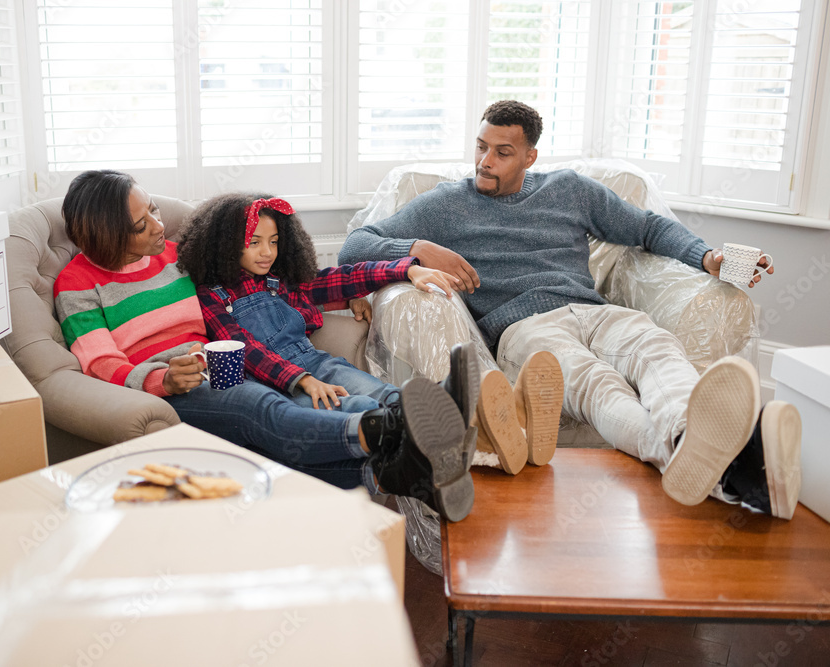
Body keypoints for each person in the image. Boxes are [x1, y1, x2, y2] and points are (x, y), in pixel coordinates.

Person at [338, 99, 803, 519]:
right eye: (480, 147)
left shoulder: (570, 190)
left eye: (502, 151)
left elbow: (646, 228)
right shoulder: (446, 205)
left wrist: (707, 258)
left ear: (529, 156)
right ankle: (714, 461)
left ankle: (695, 447)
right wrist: (419, 248)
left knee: (659, 348)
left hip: (594, 312)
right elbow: (356, 246)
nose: (484, 161)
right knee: (597, 384)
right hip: (523, 326)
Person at [52, 169, 481, 520]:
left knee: (321, 402)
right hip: (174, 385)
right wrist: (162, 379)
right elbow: (101, 363)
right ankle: (395, 432)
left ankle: (415, 454)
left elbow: (293, 284)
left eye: (155, 210)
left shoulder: (176, 255)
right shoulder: (76, 284)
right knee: (263, 410)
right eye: (142, 225)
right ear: (105, 234)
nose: (160, 227)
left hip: (221, 364)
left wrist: (381, 279)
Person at [176, 191, 463, 414]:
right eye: (255, 242)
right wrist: (302, 379)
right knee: (357, 409)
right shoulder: (212, 295)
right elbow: (246, 350)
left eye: (274, 242)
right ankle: (433, 420)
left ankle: (452, 405)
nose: (267, 252)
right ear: (225, 245)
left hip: (318, 363)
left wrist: (408, 269)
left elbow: (346, 277)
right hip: (274, 383)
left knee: (385, 394)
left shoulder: (280, 281)